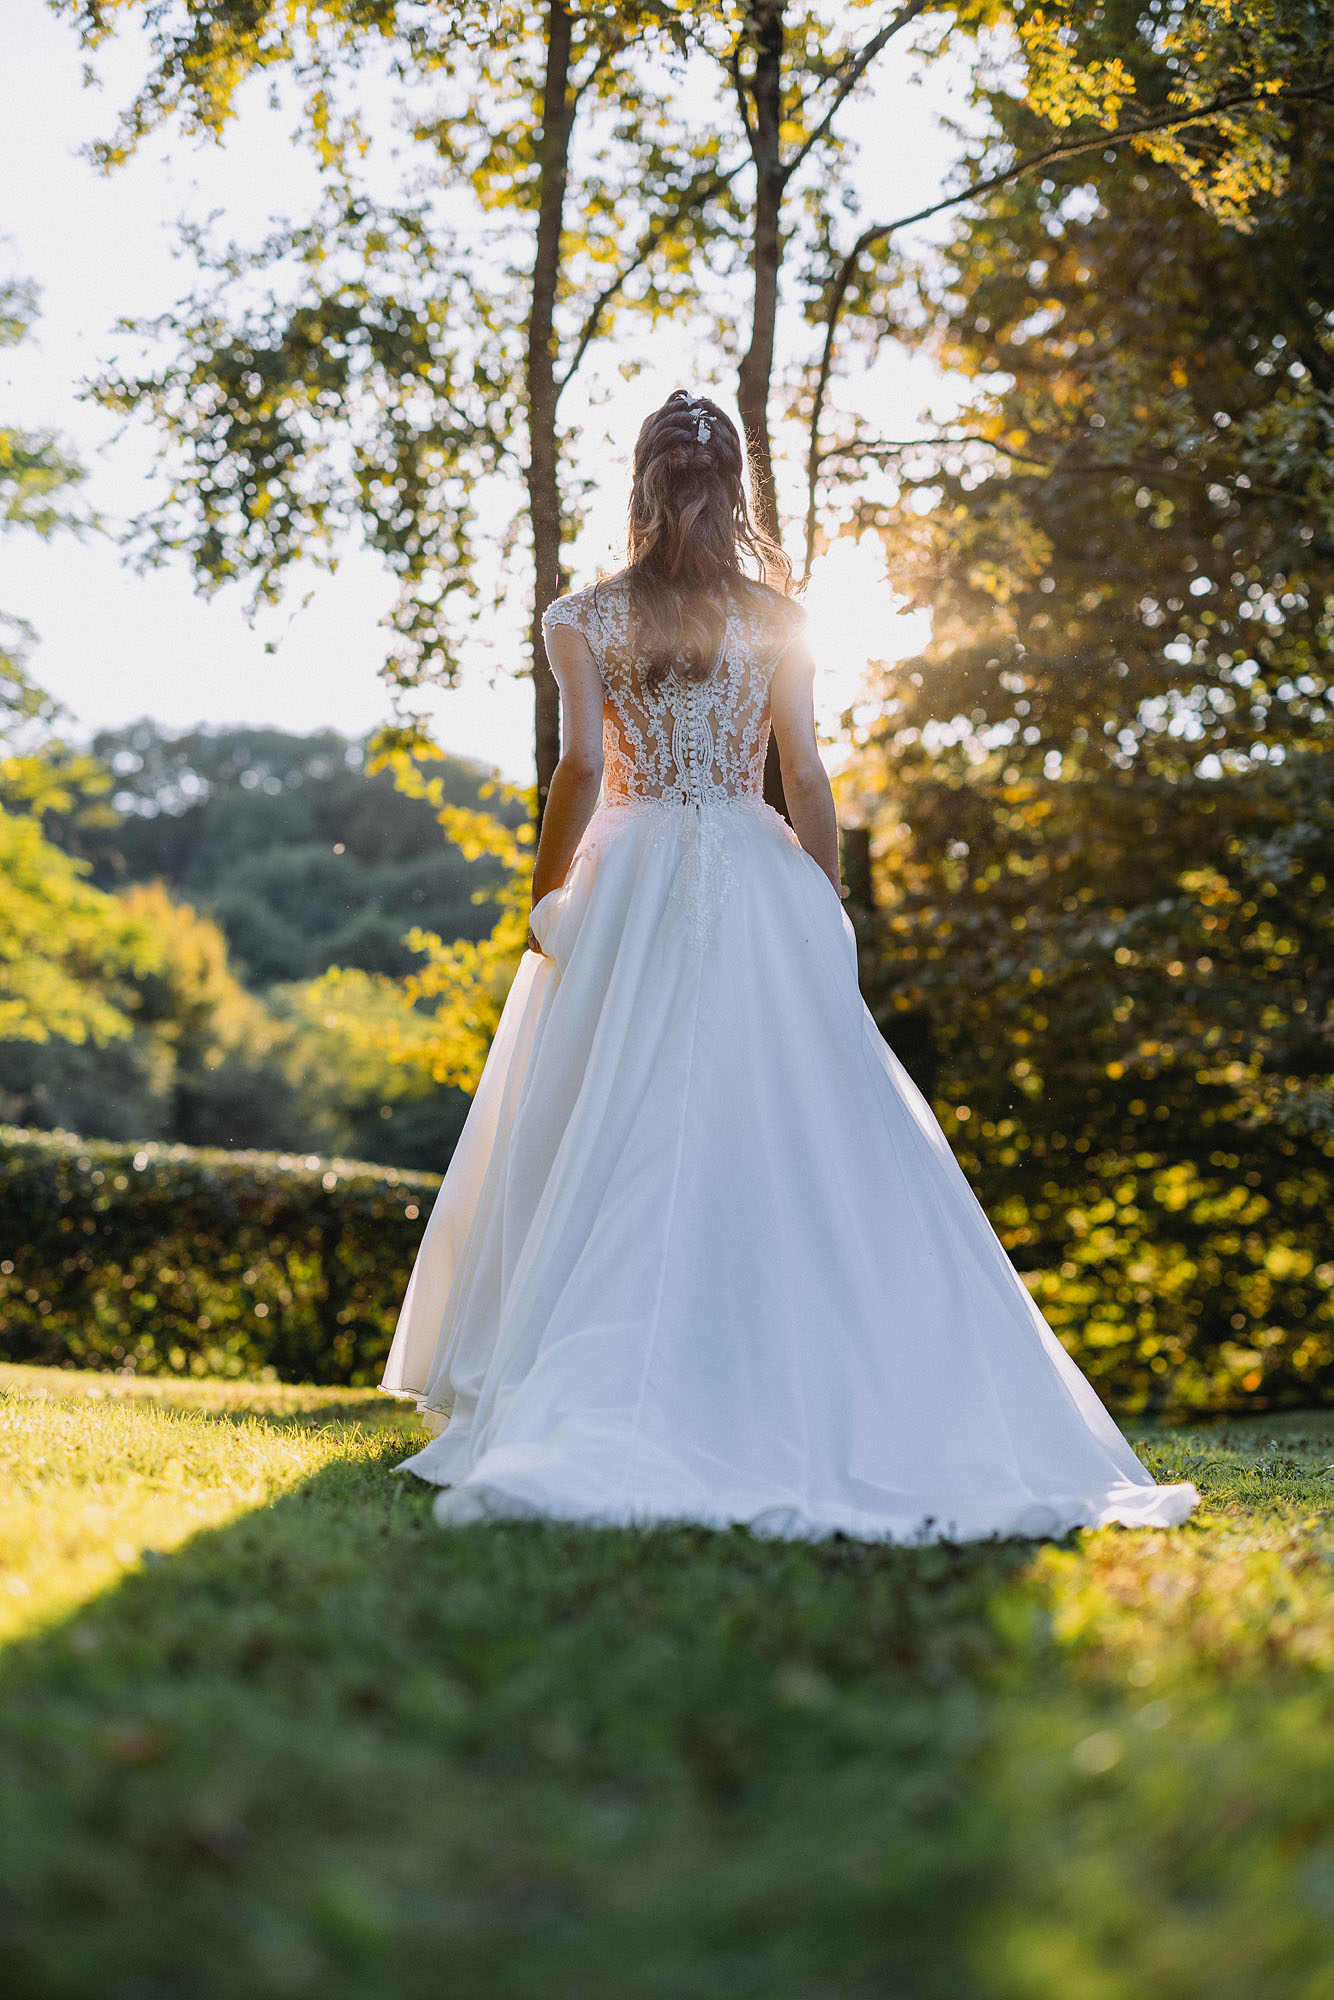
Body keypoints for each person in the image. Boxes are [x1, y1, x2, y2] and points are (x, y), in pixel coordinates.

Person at [380, 388, 1198, 1542]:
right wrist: (823, 897)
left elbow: (575, 765)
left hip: (628, 872)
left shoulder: (581, 615)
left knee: (610, 1112)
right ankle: (798, 1372)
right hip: (757, 876)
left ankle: (595, 1373)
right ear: (734, 491)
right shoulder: (779, 616)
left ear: (640, 482)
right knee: (791, 1121)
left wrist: (545, 891)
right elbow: (805, 775)